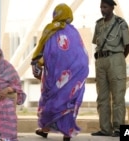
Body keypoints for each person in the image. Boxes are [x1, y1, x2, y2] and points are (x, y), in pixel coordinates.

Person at [30, 3, 89, 141]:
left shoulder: (51, 29)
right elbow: (80, 54)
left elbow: (44, 50)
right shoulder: (74, 31)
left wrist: (37, 62)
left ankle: (45, 129)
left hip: (57, 74)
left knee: (50, 99)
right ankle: (66, 133)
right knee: (68, 101)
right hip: (77, 72)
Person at [91, 0, 129, 137]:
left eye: (105, 7)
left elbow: (128, 44)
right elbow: (95, 42)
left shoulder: (120, 23)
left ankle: (118, 129)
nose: (102, 9)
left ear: (112, 8)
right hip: (100, 61)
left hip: (116, 60)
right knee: (102, 97)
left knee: (118, 97)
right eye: (101, 7)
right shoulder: (98, 24)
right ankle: (105, 129)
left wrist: (120, 58)